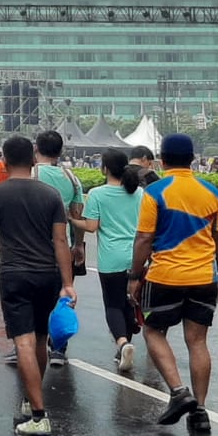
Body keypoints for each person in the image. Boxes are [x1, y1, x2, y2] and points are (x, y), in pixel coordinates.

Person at [0, 135, 75, 436]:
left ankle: (39, 416)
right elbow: (61, 241)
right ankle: (29, 400)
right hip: (48, 275)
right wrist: (67, 283)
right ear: (34, 159)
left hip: (15, 274)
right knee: (40, 339)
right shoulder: (51, 195)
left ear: (5, 162)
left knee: (22, 342)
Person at [129, 133, 218, 433]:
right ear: (193, 158)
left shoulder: (155, 192)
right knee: (197, 342)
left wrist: (134, 277)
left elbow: (145, 238)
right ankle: (199, 411)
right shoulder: (213, 192)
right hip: (204, 278)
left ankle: (177, 391)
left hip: (165, 277)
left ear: (162, 159)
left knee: (153, 331)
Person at [71, 148, 143, 373]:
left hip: (111, 258)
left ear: (104, 169)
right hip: (136, 256)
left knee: (113, 304)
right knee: (129, 302)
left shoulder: (98, 194)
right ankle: (124, 346)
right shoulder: (139, 192)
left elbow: (91, 226)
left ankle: (122, 343)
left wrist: (71, 220)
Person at [33, 130, 85, 367]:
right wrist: (79, 245)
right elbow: (77, 214)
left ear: (36, 149)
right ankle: (58, 349)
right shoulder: (71, 178)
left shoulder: (30, 175)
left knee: (35, 300)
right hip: (63, 248)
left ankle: (31, 345)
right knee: (63, 297)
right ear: (60, 152)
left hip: (33, 248)